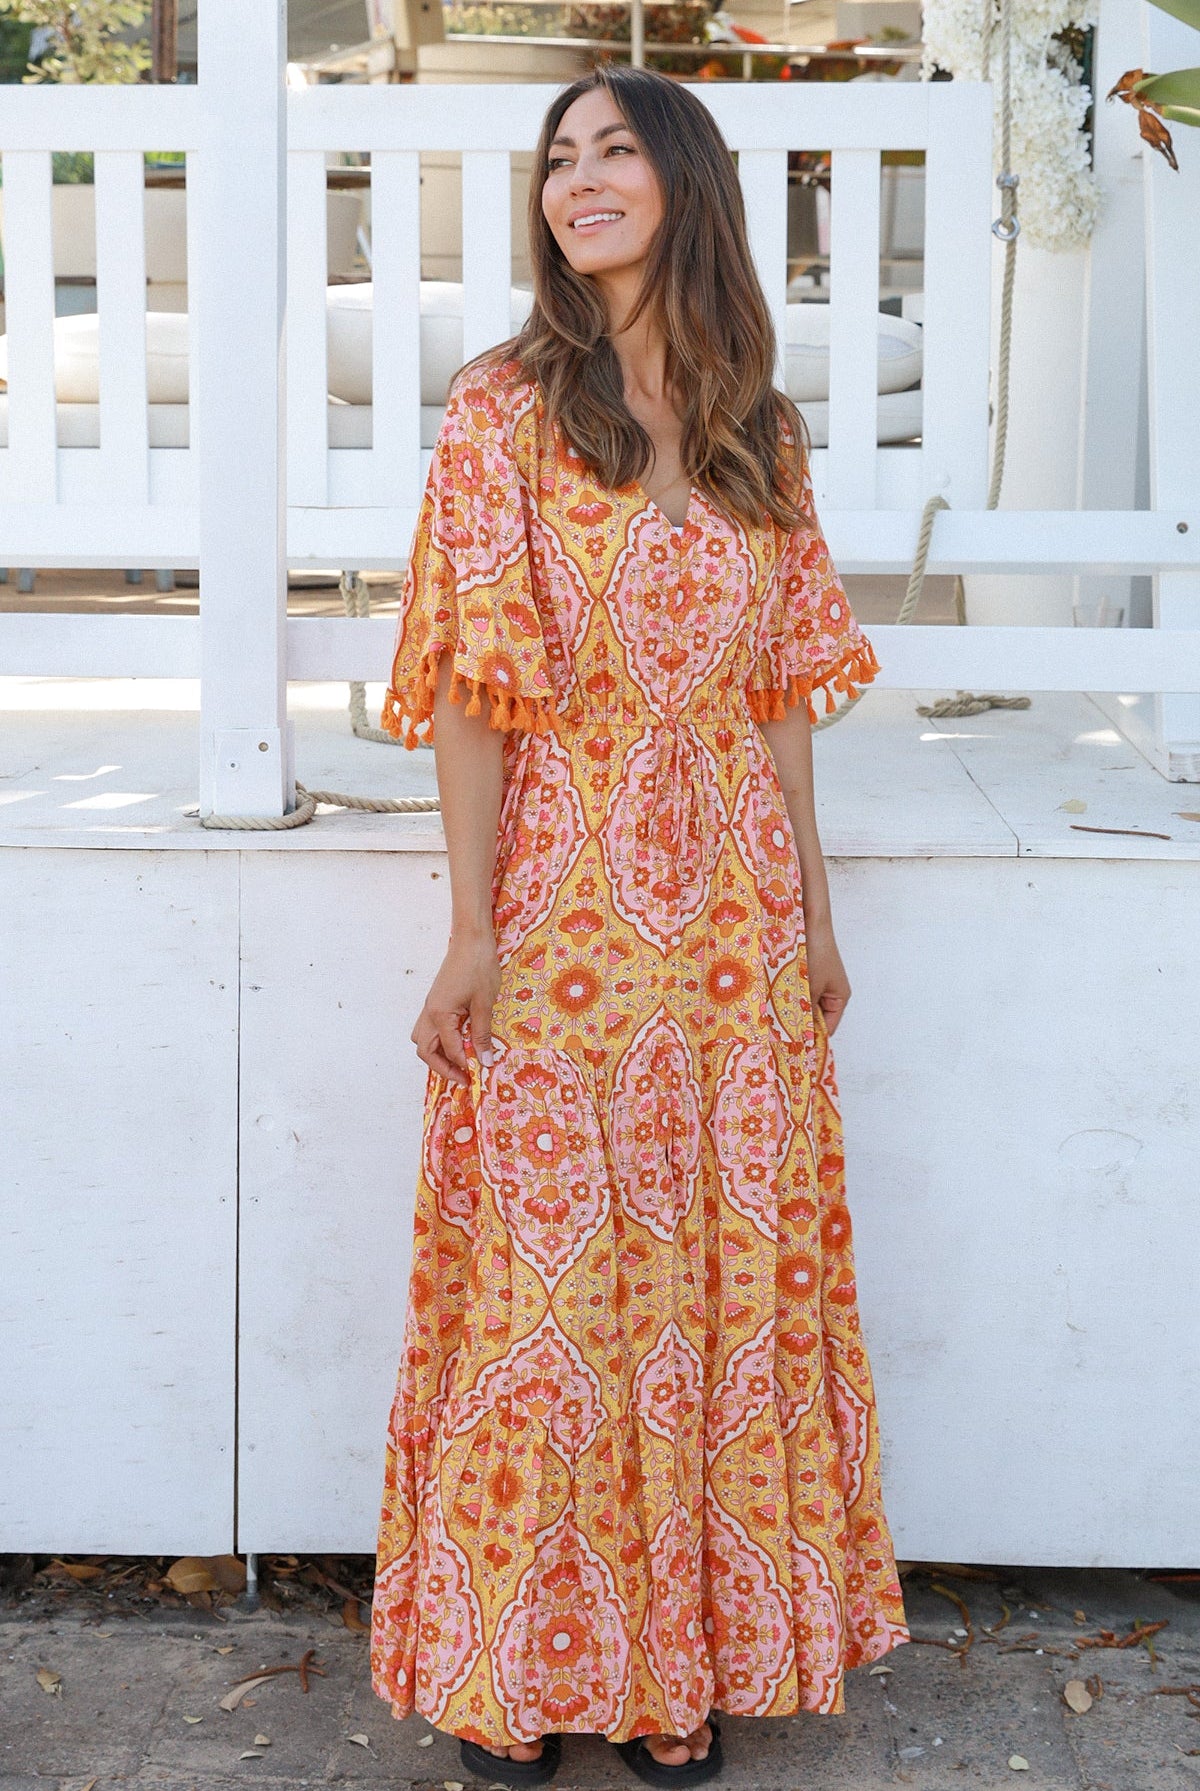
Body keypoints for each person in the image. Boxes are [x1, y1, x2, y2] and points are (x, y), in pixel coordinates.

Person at [370, 63, 909, 1790]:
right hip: (564, 886)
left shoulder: (761, 420)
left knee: (711, 1295)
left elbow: (781, 703)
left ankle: (678, 1667)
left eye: (612, 151)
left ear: (684, 178)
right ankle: (513, 1667)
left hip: (737, 914)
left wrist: (816, 919)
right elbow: (466, 694)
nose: (577, 180)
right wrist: (472, 930)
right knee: (553, 1290)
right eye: (556, 161)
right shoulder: (502, 407)